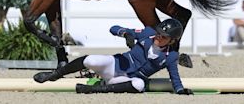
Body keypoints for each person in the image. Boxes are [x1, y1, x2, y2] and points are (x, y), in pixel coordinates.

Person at [33, 19, 193, 95]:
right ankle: (54, 75)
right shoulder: (147, 34)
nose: (158, 37)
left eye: (163, 37)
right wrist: (126, 34)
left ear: (172, 41)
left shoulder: (171, 56)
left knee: (139, 85)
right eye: (159, 33)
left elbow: (175, 78)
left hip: (125, 81)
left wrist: (180, 91)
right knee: (90, 60)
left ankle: (94, 89)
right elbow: (113, 28)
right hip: (116, 65)